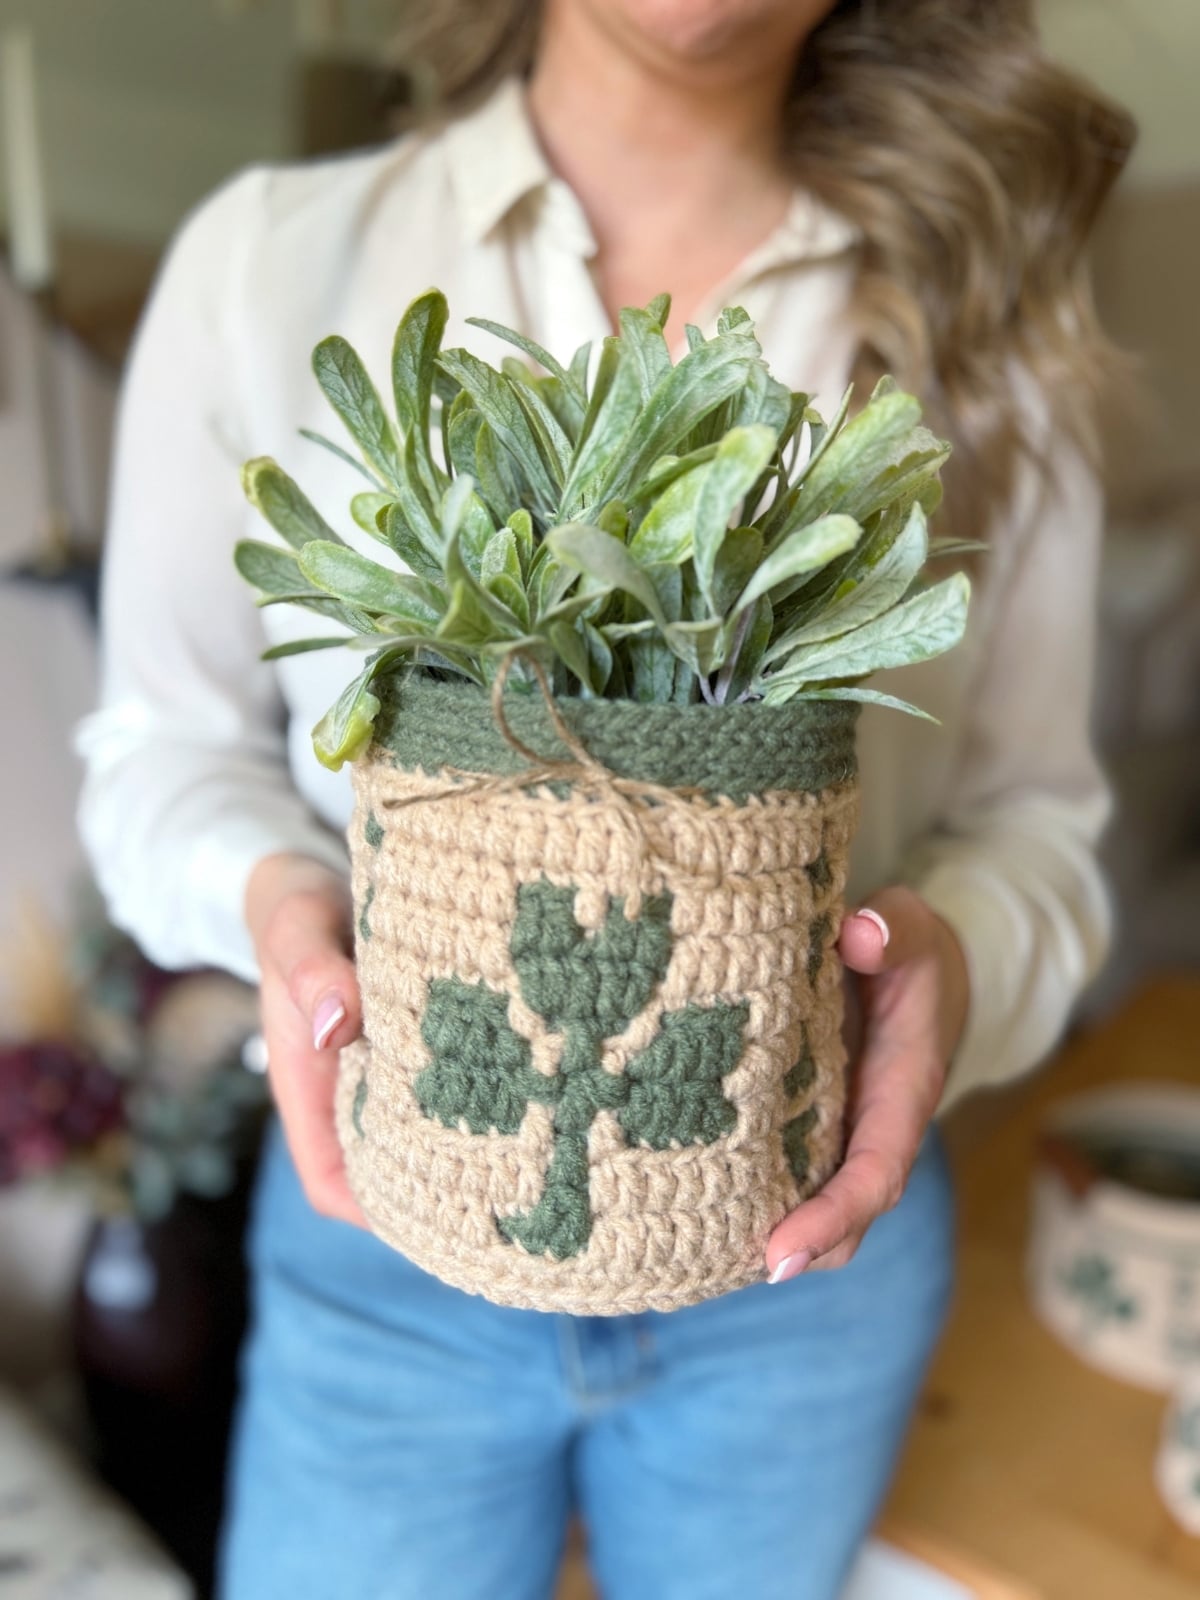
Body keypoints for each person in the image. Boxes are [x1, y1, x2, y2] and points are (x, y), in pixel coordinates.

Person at [76, 2, 1134, 1596]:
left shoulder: (989, 311)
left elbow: (1040, 827)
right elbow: (157, 755)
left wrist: (957, 961)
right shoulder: (268, 260)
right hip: (389, 1234)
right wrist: (277, 911)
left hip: (803, 1250)